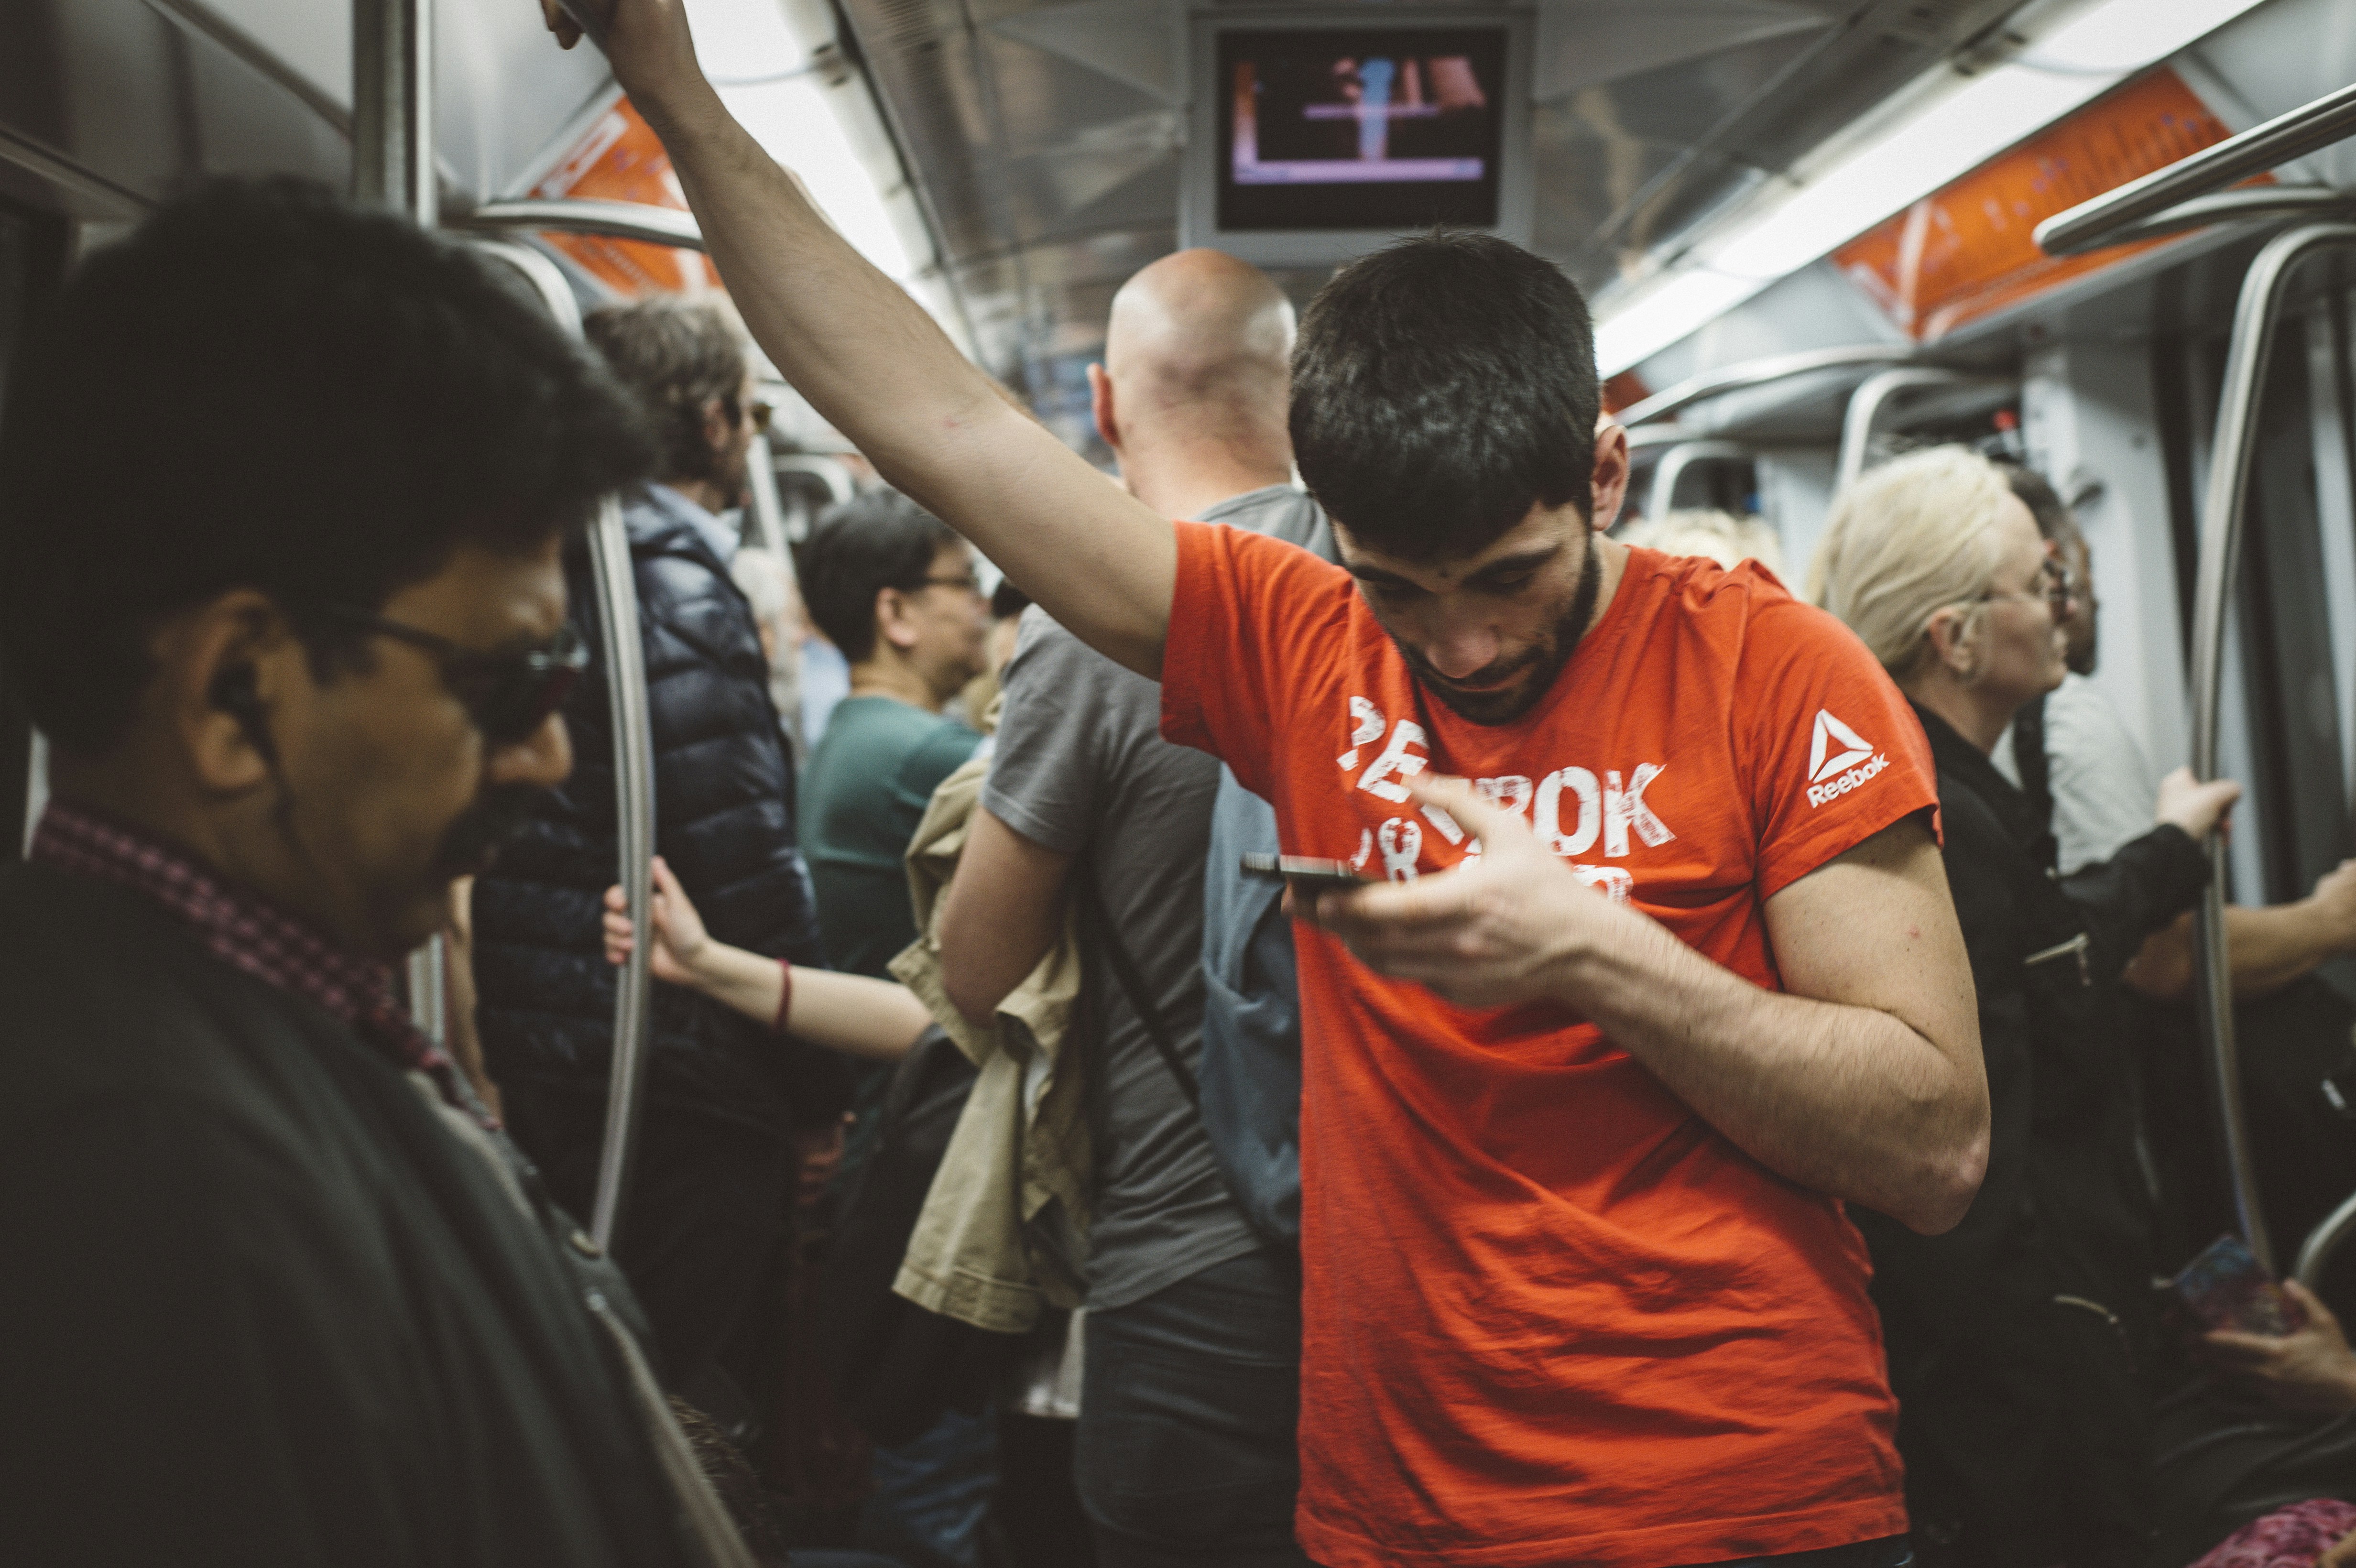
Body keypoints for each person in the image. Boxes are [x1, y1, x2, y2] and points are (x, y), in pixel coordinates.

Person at [544, 9, 1993, 1566]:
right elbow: (938, 421)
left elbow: (1928, 1146)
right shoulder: (1289, 639)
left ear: (1599, 473)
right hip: (1392, 1513)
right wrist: (673, 92)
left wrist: (1584, 948)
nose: (1463, 643)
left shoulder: (1774, 670)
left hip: (1740, 1502)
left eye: (1507, 577)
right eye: (1403, 590)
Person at [0, 175, 740, 1566]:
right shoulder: (154, 1181)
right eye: (511, 681)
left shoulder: (268, 1032)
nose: (553, 758)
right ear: (236, 693)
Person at [934, 247, 1326, 1568]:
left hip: (1190, 1269)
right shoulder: (1391, 578)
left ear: (1105, 405)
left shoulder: (1096, 620)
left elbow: (975, 967)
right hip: (1409, 1255)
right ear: (1303, 393)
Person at [1811, 446, 2238, 1567]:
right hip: (2018, 1366)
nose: (2064, 608)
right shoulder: (1939, 824)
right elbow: (1976, 1183)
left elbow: (2062, 939)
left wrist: (2168, 849)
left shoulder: (1956, 793)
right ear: (1953, 637)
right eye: (2038, 585)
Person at [470, 294, 837, 1422]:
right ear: (716, 418)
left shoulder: (556, 548)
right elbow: (736, 853)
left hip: (551, 1018)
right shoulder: (668, 576)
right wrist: (817, 1078)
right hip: (669, 1050)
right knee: (675, 1388)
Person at [792, 486, 992, 1568]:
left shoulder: (849, 737)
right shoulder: (918, 754)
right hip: (935, 1140)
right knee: (938, 1478)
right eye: (962, 584)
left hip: (894, 1128)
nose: (979, 609)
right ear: (896, 613)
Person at [1988, 464, 2356, 998]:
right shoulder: (2062, 714)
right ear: (2055, 564)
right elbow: (2158, 957)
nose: (2094, 595)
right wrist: (2331, 917)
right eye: (2084, 565)